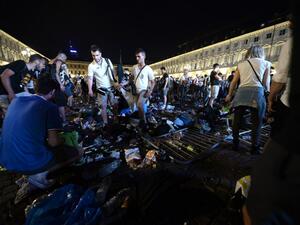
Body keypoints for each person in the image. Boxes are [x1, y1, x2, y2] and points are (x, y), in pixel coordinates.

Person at [0, 76, 80, 198]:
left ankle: (27, 173)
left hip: (6, 159)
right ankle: (39, 174)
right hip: (30, 161)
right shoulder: (50, 107)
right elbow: (54, 142)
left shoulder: (16, 100)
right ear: (53, 92)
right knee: (78, 151)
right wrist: (64, 139)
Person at [225, 45, 271, 154]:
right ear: (261, 53)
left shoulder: (241, 64)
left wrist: (229, 95)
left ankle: (235, 144)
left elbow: (234, 82)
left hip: (241, 93)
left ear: (249, 52)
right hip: (257, 93)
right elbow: (266, 83)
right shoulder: (266, 63)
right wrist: (269, 98)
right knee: (257, 122)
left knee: (237, 120)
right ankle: (254, 148)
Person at [87, 45, 119, 126]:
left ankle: (116, 117)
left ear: (100, 54)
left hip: (111, 87)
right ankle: (105, 123)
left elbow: (113, 72)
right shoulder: (91, 65)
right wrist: (90, 89)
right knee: (103, 107)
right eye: (93, 55)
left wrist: (116, 82)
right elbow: (90, 78)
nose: (95, 57)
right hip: (101, 89)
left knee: (113, 104)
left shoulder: (107, 61)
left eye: (97, 55)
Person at [131, 48, 155, 127]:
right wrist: (123, 84)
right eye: (136, 57)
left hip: (144, 90)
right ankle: (142, 121)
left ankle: (144, 122)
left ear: (144, 56)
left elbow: (153, 82)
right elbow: (131, 78)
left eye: (139, 56)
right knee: (137, 107)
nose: (137, 58)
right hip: (136, 91)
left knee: (139, 104)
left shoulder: (148, 69)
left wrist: (150, 91)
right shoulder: (134, 67)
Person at [46, 52, 68, 123]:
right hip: (57, 85)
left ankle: (59, 118)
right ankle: (64, 120)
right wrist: (61, 84)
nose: (65, 59)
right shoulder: (59, 61)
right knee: (61, 103)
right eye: (64, 57)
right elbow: (56, 73)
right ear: (60, 57)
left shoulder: (53, 62)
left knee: (57, 103)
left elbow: (49, 63)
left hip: (54, 84)